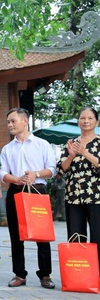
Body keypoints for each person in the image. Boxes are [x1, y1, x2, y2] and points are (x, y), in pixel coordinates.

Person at [0, 107, 57, 289]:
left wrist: (35, 174)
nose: (10, 125)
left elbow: (52, 169)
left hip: (37, 191)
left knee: (42, 234)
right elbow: (1, 172)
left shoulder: (42, 144)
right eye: (8, 122)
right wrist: (15, 178)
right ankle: (19, 274)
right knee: (16, 234)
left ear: (25, 121)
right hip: (15, 191)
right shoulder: (7, 149)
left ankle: (45, 274)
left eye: (13, 121)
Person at [59, 106, 100, 264]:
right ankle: (80, 275)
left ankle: (97, 276)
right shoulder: (71, 143)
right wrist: (71, 156)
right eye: (83, 118)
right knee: (76, 236)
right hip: (74, 196)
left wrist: (85, 153)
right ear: (78, 122)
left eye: (90, 118)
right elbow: (61, 169)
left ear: (96, 122)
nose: (86, 121)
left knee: (97, 236)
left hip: (96, 197)